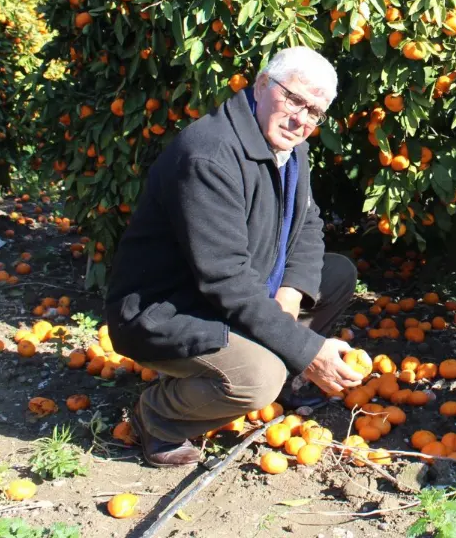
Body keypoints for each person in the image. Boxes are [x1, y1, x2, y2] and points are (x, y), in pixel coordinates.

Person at [105, 46, 364, 467]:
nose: (301, 119)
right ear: (262, 85)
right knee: (259, 380)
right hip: (168, 311)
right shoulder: (209, 154)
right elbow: (225, 280)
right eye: (295, 99)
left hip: (229, 295)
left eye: (314, 112)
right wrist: (306, 348)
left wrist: (291, 296)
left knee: (334, 274)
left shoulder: (287, 145)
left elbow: (308, 223)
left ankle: (264, 363)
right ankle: (157, 417)